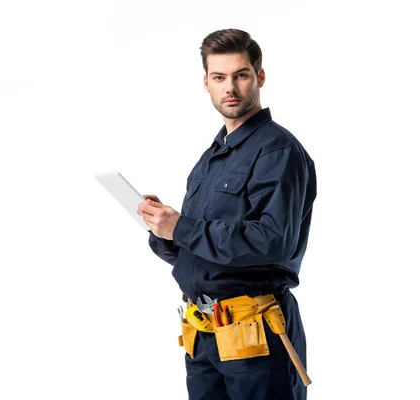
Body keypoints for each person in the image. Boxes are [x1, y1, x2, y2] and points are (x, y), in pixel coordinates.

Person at [136, 29, 317, 400]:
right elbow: (203, 249)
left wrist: (182, 227)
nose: (230, 87)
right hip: (204, 335)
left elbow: (272, 242)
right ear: (206, 83)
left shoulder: (277, 151)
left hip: (257, 338)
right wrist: (164, 231)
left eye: (241, 75)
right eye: (219, 77)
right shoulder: (213, 157)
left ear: (259, 77)